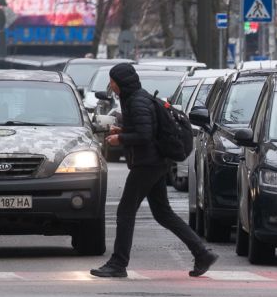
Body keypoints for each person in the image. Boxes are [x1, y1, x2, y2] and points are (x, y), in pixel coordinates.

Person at [91, 63, 218, 279]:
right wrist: (123, 130)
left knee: (125, 212)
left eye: (112, 80)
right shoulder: (136, 98)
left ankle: (118, 263)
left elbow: (144, 135)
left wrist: (119, 138)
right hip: (155, 161)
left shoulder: (137, 101)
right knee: (163, 213)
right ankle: (202, 253)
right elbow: (144, 129)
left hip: (147, 164)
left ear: (120, 81)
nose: (111, 85)